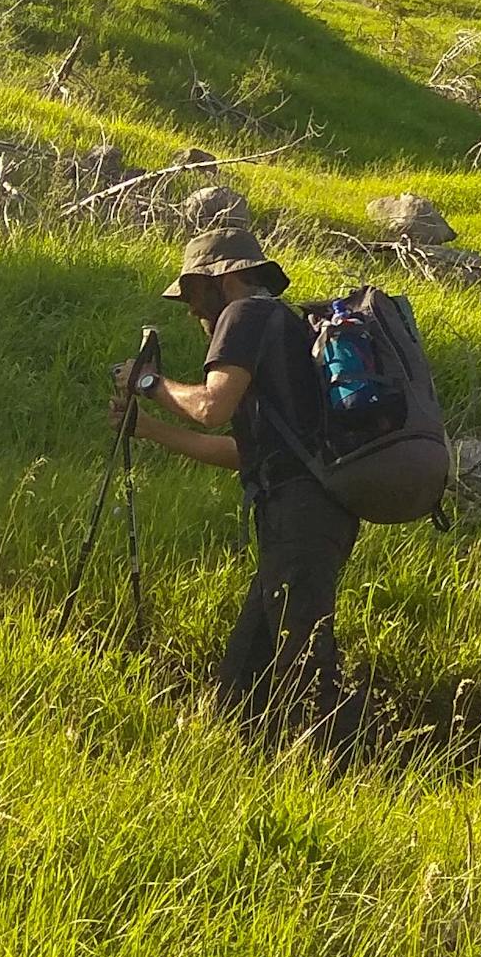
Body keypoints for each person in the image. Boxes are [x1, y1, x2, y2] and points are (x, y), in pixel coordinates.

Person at [109, 227, 357, 750]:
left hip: (300, 513)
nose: (193, 310)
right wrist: (149, 430)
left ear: (225, 280)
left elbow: (209, 408)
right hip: (308, 508)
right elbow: (247, 454)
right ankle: (233, 756)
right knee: (250, 661)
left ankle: (335, 772)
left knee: (303, 657)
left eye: (195, 294)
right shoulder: (281, 328)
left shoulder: (244, 316)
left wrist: (149, 384)